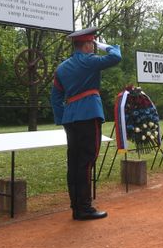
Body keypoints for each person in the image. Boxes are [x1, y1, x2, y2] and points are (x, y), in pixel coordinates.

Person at [51, 27, 121, 221]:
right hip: (89, 115)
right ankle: (84, 208)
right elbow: (116, 57)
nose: (93, 47)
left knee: (74, 163)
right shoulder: (89, 61)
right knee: (87, 161)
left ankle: (76, 205)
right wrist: (107, 46)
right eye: (92, 44)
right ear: (87, 44)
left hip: (70, 118)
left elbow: (55, 97)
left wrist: (62, 117)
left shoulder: (62, 68)